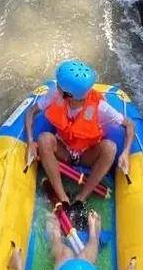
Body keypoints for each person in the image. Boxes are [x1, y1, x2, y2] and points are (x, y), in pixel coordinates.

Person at [24, 59, 135, 218]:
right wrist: (29, 141)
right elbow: (31, 112)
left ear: (68, 95)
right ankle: (63, 198)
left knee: (110, 147)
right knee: (43, 139)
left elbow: (129, 124)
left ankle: (80, 199)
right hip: (63, 148)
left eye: (60, 87)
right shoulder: (55, 95)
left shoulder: (100, 107)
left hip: (86, 154)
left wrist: (125, 152)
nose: (57, 87)